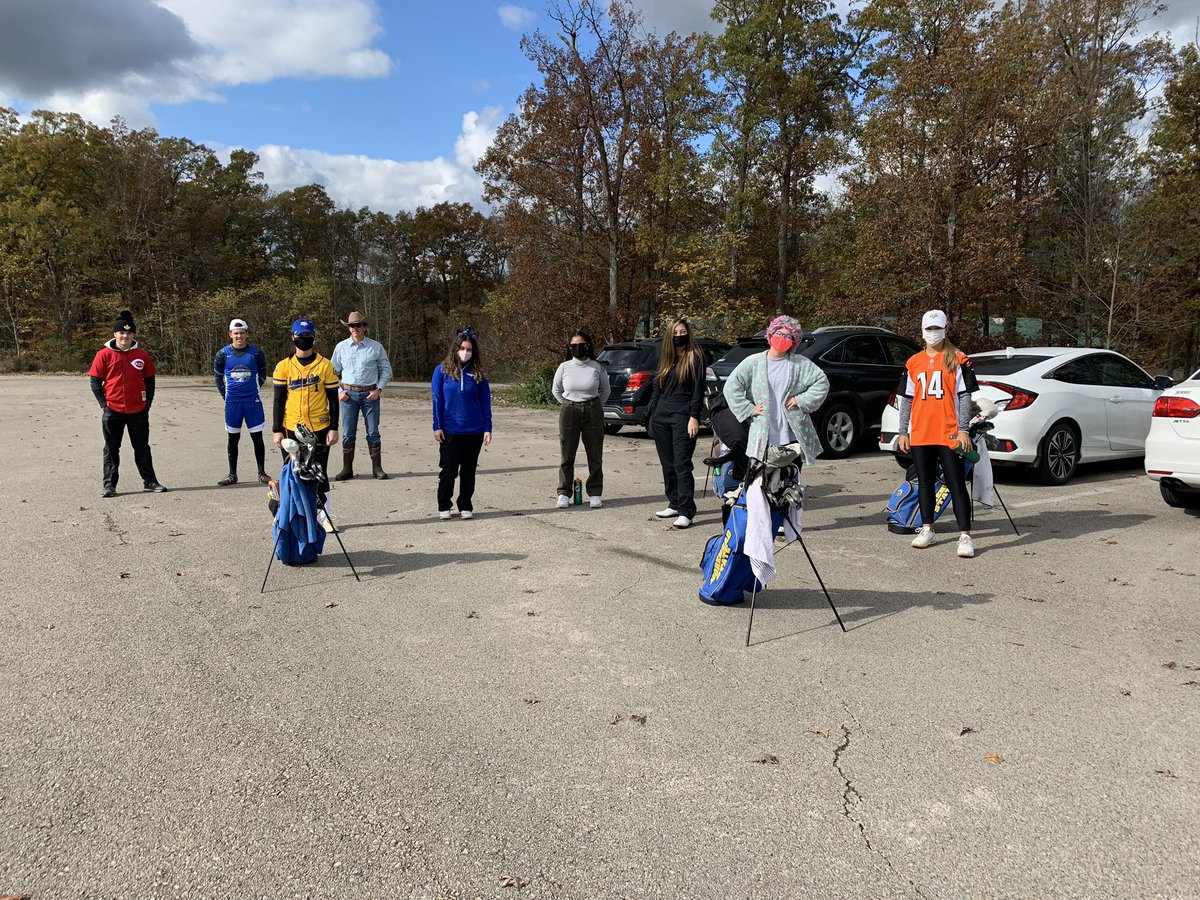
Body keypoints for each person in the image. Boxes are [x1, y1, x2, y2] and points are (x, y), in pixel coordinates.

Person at [896, 309, 979, 558]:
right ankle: (927, 527)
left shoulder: (958, 359)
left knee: (955, 483)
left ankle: (965, 534)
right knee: (925, 483)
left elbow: (965, 397)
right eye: (929, 329)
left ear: (945, 329)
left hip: (948, 432)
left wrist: (963, 429)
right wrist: (903, 431)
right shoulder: (913, 362)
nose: (933, 333)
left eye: (937, 328)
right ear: (922, 330)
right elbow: (907, 399)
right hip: (921, 432)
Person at [723, 314, 830, 473]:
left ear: (794, 341)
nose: (783, 338)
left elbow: (821, 382)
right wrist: (749, 409)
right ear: (771, 334)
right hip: (763, 434)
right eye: (779, 333)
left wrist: (801, 400)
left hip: (792, 434)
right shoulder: (754, 362)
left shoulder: (800, 363)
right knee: (759, 481)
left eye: (788, 336)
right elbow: (731, 386)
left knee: (791, 479)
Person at [89, 309, 167, 497]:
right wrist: (103, 404)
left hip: (138, 410)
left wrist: (147, 403)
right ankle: (109, 485)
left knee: (142, 448)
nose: (125, 336)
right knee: (111, 449)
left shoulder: (141, 354)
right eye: (122, 333)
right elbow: (95, 381)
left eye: (129, 333)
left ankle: (150, 481)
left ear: (133, 335)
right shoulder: (103, 355)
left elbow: (149, 380)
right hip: (113, 410)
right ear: (115, 334)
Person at [271, 318, 340, 531]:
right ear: (293, 337)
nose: (304, 340)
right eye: (300, 337)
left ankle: (324, 515)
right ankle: (284, 513)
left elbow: (333, 399)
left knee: (319, 473)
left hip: (319, 428)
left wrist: (334, 427)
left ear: (314, 337)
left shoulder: (325, 365)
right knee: (292, 472)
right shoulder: (283, 366)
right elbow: (278, 399)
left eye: (308, 336)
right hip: (291, 427)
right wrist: (276, 430)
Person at [648, 318, 707, 529]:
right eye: (676, 332)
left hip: (683, 415)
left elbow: (698, 391)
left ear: (687, 333)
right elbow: (657, 386)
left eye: (682, 331)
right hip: (662, 414)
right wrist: (653, 412)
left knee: (682, 464)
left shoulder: (695, 357)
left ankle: (686, 510)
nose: (679, 335)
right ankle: (673, 502)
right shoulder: (666, 358)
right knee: (668, 463)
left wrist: (694, 416)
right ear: (670, 335)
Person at [431, 327, 492, 520]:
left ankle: (465, 504)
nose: (465, 352)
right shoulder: (442, 371)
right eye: (463, 348)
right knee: (449, 470)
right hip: (450, 430)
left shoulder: (478, 374)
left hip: (473, 430)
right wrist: (437, 425)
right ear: (456, 348)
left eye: (469, 349)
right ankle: (444, 505)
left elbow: (485, 403)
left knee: (468, 471)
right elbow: (437, 399)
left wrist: (487, 428)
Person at [330, 310, 394, 481]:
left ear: (365, 327)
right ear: (348, 328)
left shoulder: (376, 347)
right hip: (348, 395)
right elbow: (331, 372)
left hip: (370, 395)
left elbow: (386, 370)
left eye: (358, 325)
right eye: (352, 326)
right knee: (348, 433)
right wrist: (338, 391)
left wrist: (378, 389)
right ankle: (347, 469)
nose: (355, 328)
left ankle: (377, 468)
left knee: (373, 432)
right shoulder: (341, 347)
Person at [552, 330, 610, 509]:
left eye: (581, 345)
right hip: (570, 409)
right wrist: (568, 404)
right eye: (574, 346)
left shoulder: (596, 367)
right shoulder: (564, 367)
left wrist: (594, 405)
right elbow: (556, 390)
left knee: (594, 454)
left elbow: (605, 391)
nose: (578, 348)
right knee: (567, 453)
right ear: (569, 348)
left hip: (592, 409)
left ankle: (594, 492)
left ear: (588, 345)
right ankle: (564, 492)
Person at [213, 318, 269, 486]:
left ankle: (261, 473)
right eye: (236, 333)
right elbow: (217, 377)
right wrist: (227, 396)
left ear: (246, 334)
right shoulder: (222, 354)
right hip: (233, 403)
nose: (239, 336)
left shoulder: (256, 352)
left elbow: (263, 374)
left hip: (253, 402)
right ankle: (232, 474)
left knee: (257, 437)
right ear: (230, 334)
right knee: (233, 439)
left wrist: (252, 390)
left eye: (242, 333)